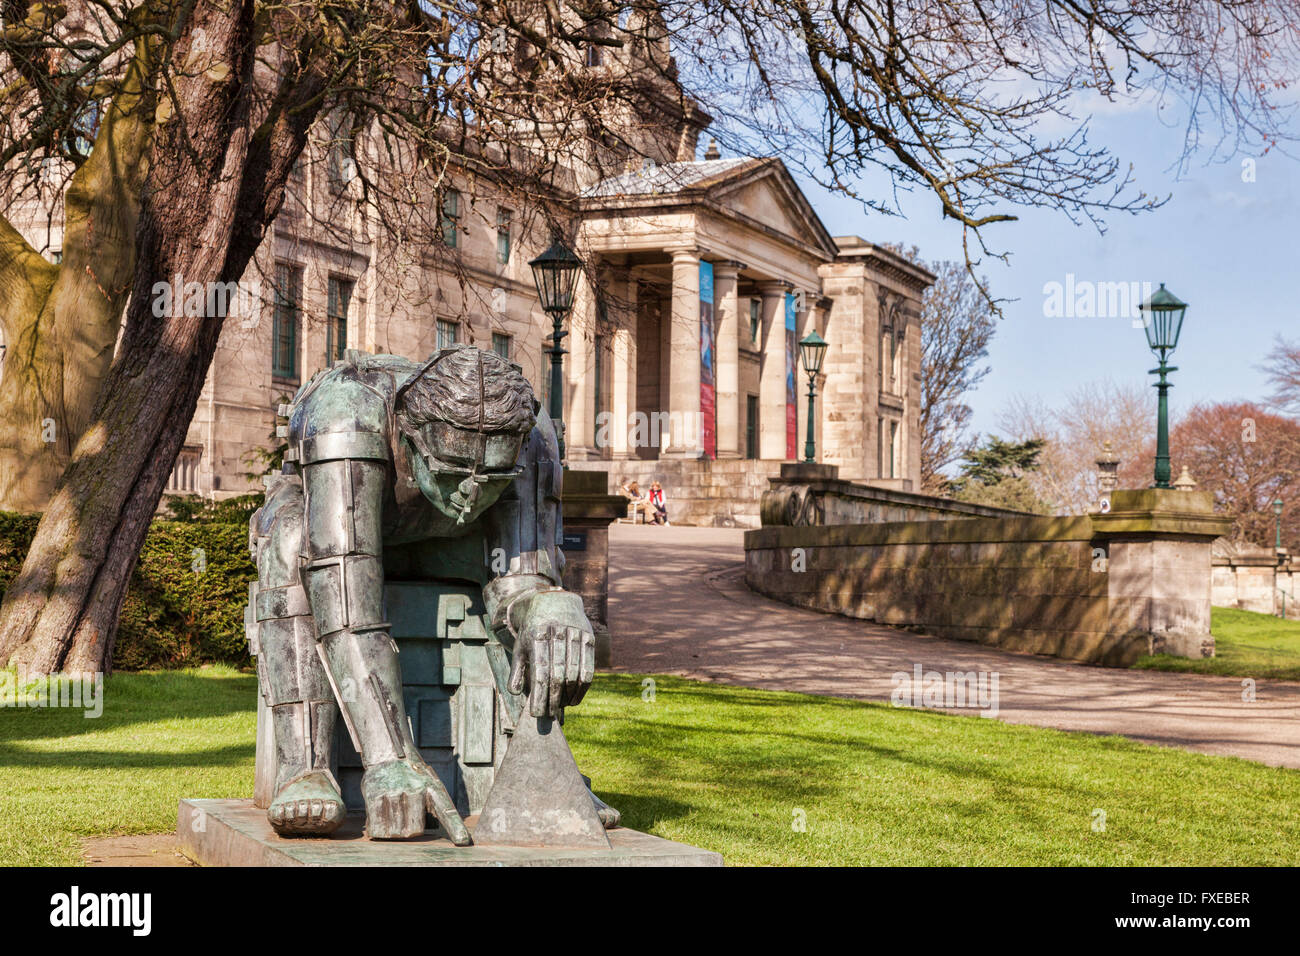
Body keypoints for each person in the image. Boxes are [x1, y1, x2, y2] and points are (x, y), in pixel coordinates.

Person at [248, 345, 614, 842]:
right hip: (340, 535)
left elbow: (521, 579)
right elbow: (347, 597)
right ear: (411, 439)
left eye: (491, 480)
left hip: (450, 547)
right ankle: (305, 766)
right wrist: (390, 758)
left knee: (547, 611)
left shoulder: (531, 433)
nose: (469, 496)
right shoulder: (346, 411)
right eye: (451, 474)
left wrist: (549, 603)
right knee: (289, 542)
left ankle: (545, 766)